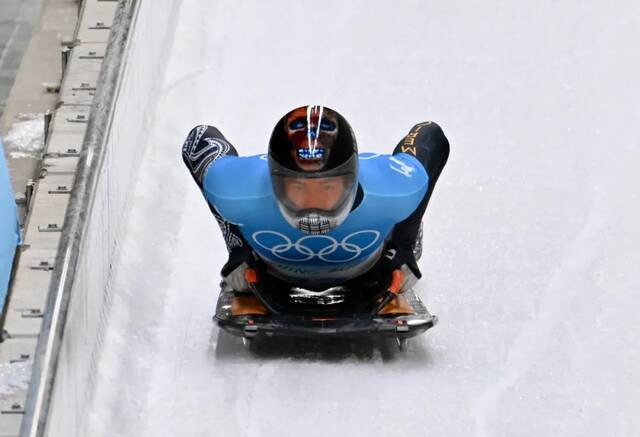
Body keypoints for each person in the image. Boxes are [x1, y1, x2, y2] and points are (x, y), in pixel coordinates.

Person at [182, 105, 449, 310]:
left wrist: (403, 243)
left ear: (352, 180)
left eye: (327, 188)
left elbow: (431, 134)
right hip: (270, 271)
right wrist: (237, 245)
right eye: (298, 188)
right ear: (275, 181)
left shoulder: (394, 186)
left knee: (403, 220)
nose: (313, 205)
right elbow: (197, 140)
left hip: (371, 266)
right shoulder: (235, 189)